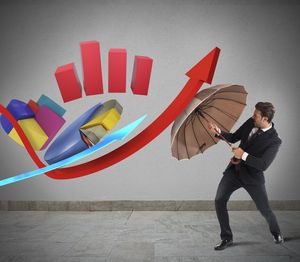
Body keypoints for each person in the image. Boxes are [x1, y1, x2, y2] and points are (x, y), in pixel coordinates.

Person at [208, 102, 283, 251]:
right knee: (219, 200)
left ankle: (276, 233)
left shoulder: (274, 141)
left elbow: (263, 164)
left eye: (255, 115)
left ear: (265, 119)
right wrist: (218, 132)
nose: (252, 116)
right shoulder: (250, 122)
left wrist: (243, 155)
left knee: (265, 210)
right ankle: (227, 238)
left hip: (253, 177)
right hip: (234, 171)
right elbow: (234, 136)